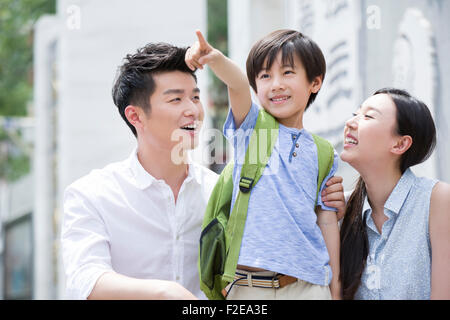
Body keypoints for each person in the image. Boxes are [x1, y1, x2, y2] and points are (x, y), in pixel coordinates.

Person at [61, 42, 346, 300]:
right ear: (136, 115)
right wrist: (164, 292)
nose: (193, 111)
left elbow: (290, 217)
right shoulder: (93, 194)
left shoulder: (223, 190)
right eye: (176, 100)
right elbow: (86, 280)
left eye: (195, 98)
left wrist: (324, 201)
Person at [186, 29, 341, 300]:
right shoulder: (254, 129)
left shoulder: (324, 151)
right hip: (246, 289)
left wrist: (334, 288)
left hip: (308, 287)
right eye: (265, 76)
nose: (276, 84)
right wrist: (216, 59)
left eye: (288, 73)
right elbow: (236, 84)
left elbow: (326, 221)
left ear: (314, 82)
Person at [339, 88, 450, 300]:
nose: (350, 123)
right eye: (355, 114)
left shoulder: (437, 200)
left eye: (368, 116)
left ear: (400, 144)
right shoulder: (340, 209)